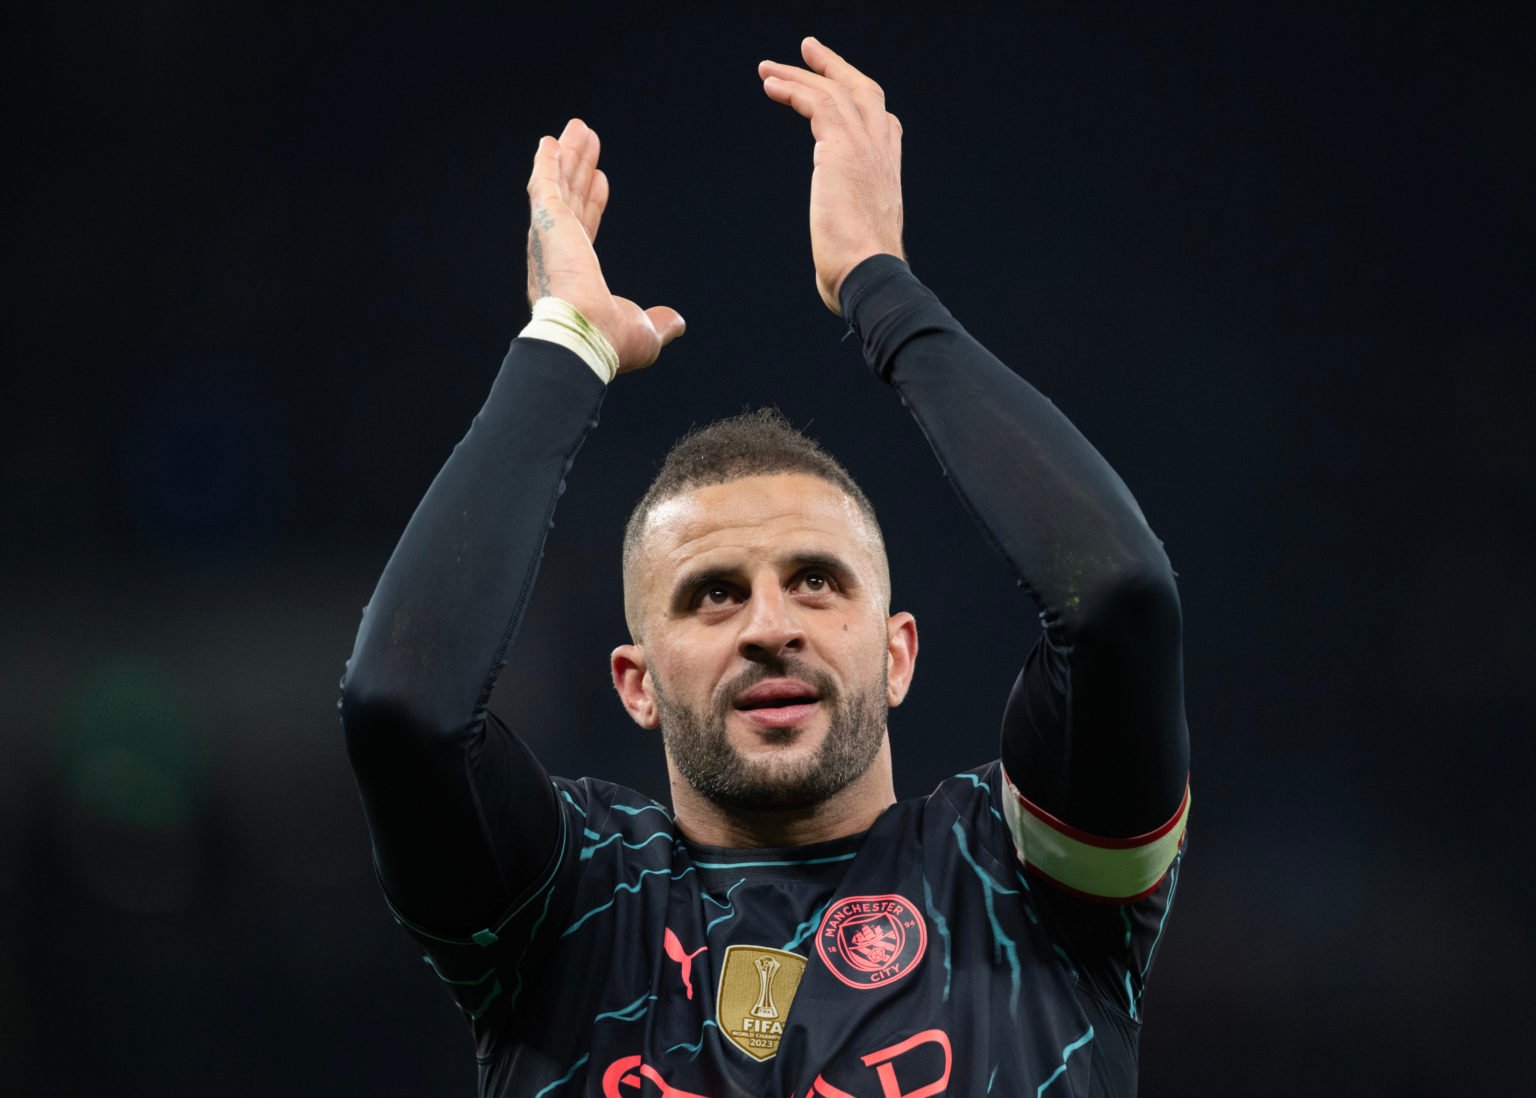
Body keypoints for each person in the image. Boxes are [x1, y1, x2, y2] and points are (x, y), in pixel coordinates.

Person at [340, 36, 1189, 1098]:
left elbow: (1115, 599)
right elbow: (400, 709)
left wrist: (880, 285)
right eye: (713, 595)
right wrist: (564, 345)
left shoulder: (1028, 883)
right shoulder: (563, 915)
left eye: (817, 581)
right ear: (636, 682)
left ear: (898, 654)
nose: (770, 624)